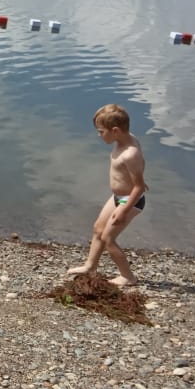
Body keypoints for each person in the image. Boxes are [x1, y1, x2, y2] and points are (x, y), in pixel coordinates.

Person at [67, 103, 147, 286]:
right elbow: (140, 167)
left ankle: (128, 276)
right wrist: (139, 177)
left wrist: (124, 210)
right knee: (98, 229)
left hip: (130, 202)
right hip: (118, 198)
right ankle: (90, 265)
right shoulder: (126, 140)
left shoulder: (130, 153)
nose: (99, 135)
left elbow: (139, 187)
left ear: (116, 130)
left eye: (101, 131)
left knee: (108, 239)